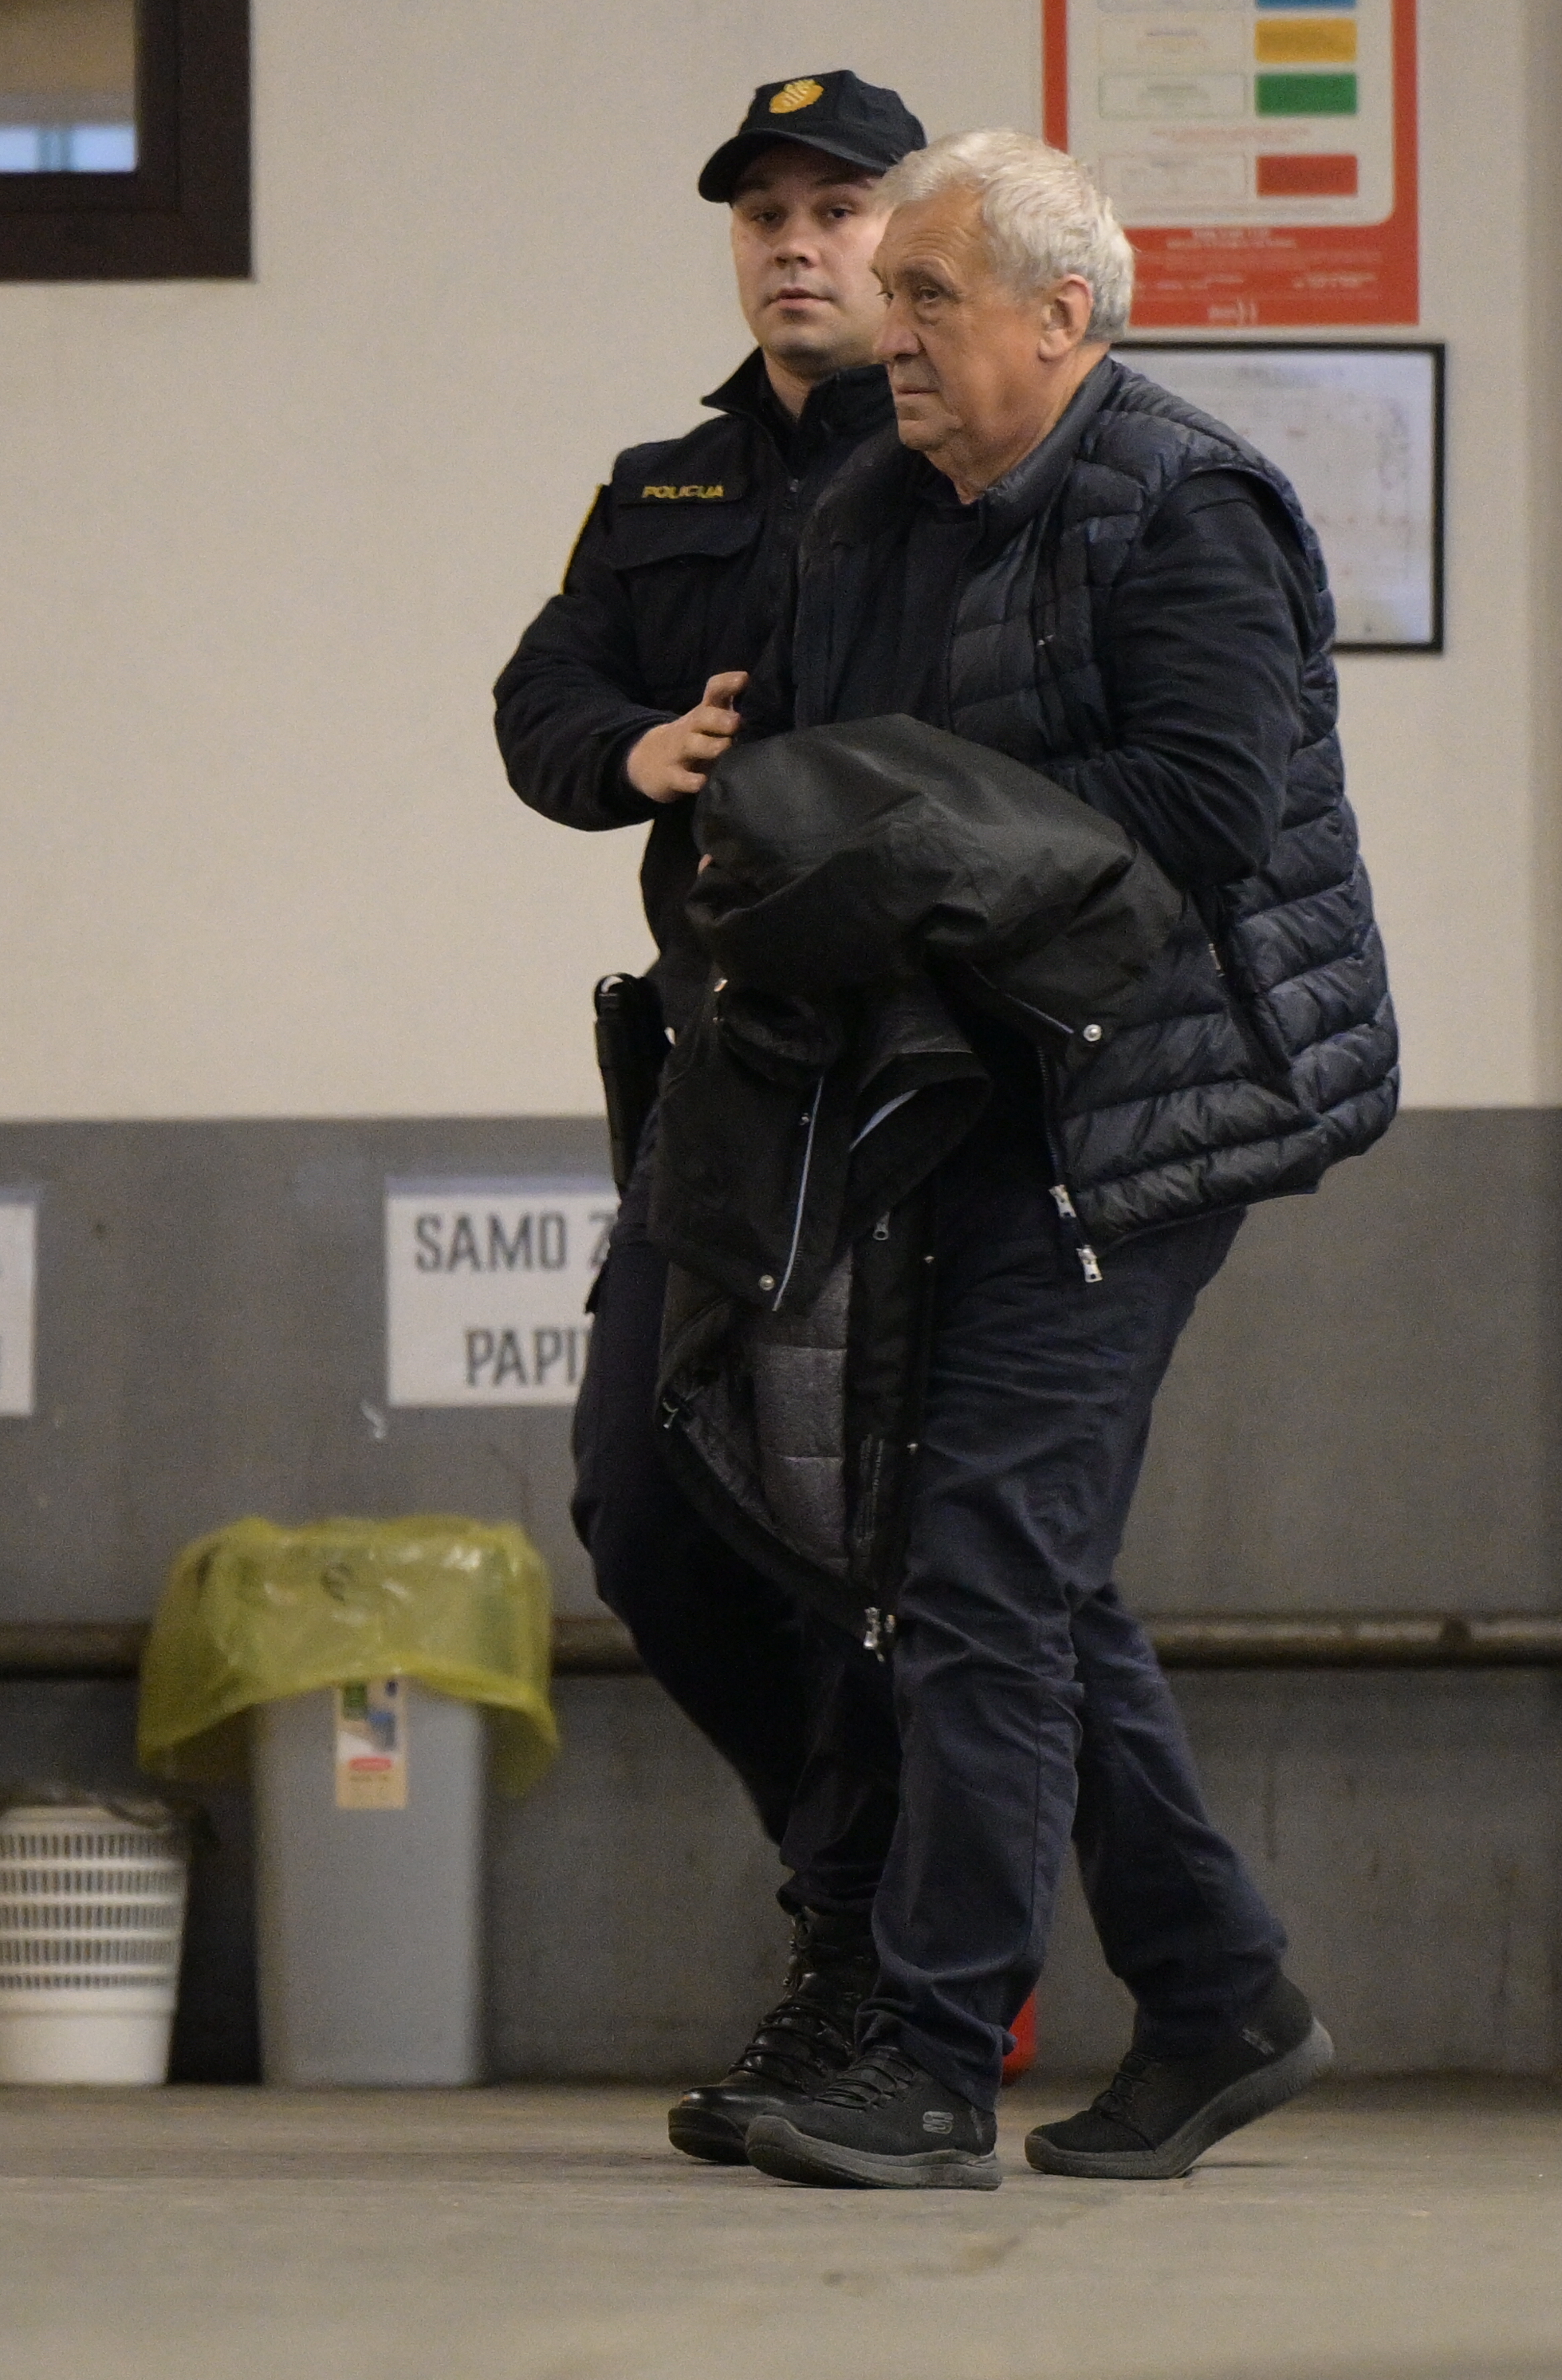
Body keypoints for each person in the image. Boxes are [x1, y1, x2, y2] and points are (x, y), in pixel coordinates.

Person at [725, 128, 1402, 2191]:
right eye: (894, 298)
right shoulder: (872, 504)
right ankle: (1218, 1997)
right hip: (961, 1091)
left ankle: (936, 2062)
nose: (892, 334)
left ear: (1065, 315)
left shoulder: (1189, 502)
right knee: (1022, 1566)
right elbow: (809, 774)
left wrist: (911, 808)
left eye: (930, 297)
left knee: (983, 1570)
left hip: (1152, 1108)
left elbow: (1204, 805)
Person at [488, 71, 928, 2166]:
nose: (796, 243)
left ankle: (889, 1963)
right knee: (648, 1503)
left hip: (917, 1086)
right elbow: (539, 697)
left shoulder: (959, 468)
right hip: (720, 1080)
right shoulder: (664, 488)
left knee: (893, 1545)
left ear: (910, 238)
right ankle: (853, 1884)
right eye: (764, 212)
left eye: (838, 206)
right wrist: (634, 752)